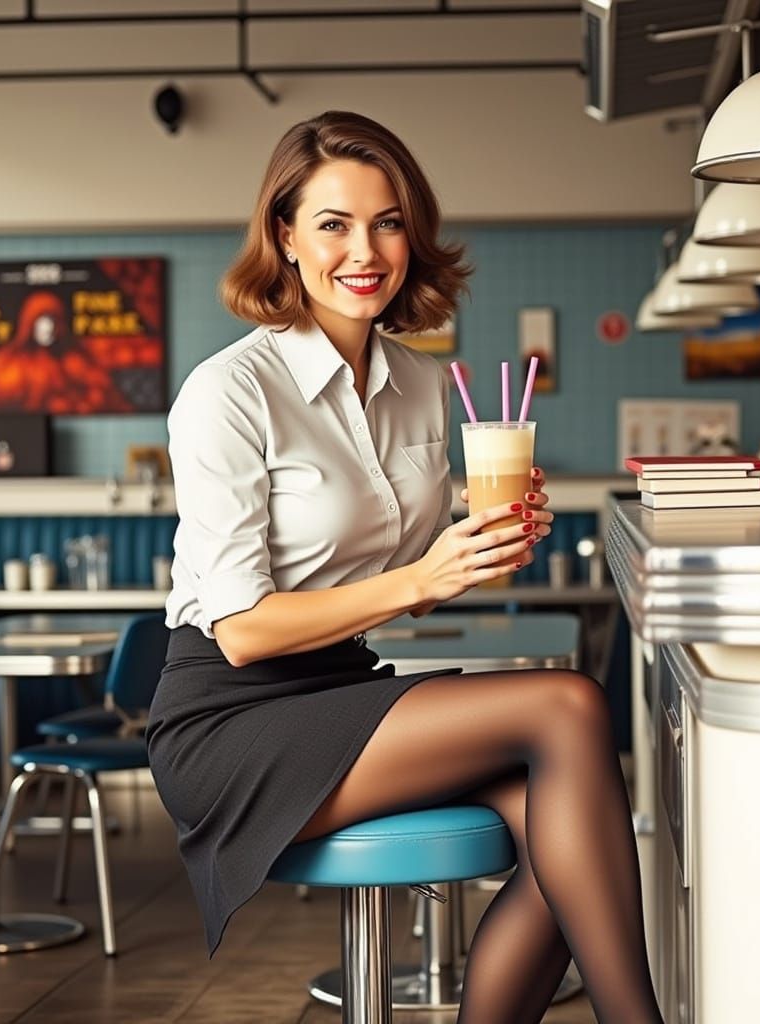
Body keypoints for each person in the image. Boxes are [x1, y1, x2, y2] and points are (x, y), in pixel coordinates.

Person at [146, 110, 663, 1024]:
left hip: (345, 690)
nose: (366, 249)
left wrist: (482, 542)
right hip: (232, 718)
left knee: (561, 825)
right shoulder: (229, 392)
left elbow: (406, 583)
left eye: (386, 221)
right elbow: (242, 633)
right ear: (286, 238)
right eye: (334, 224)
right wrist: (424, 578)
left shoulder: (422, 383)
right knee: (568, 701)